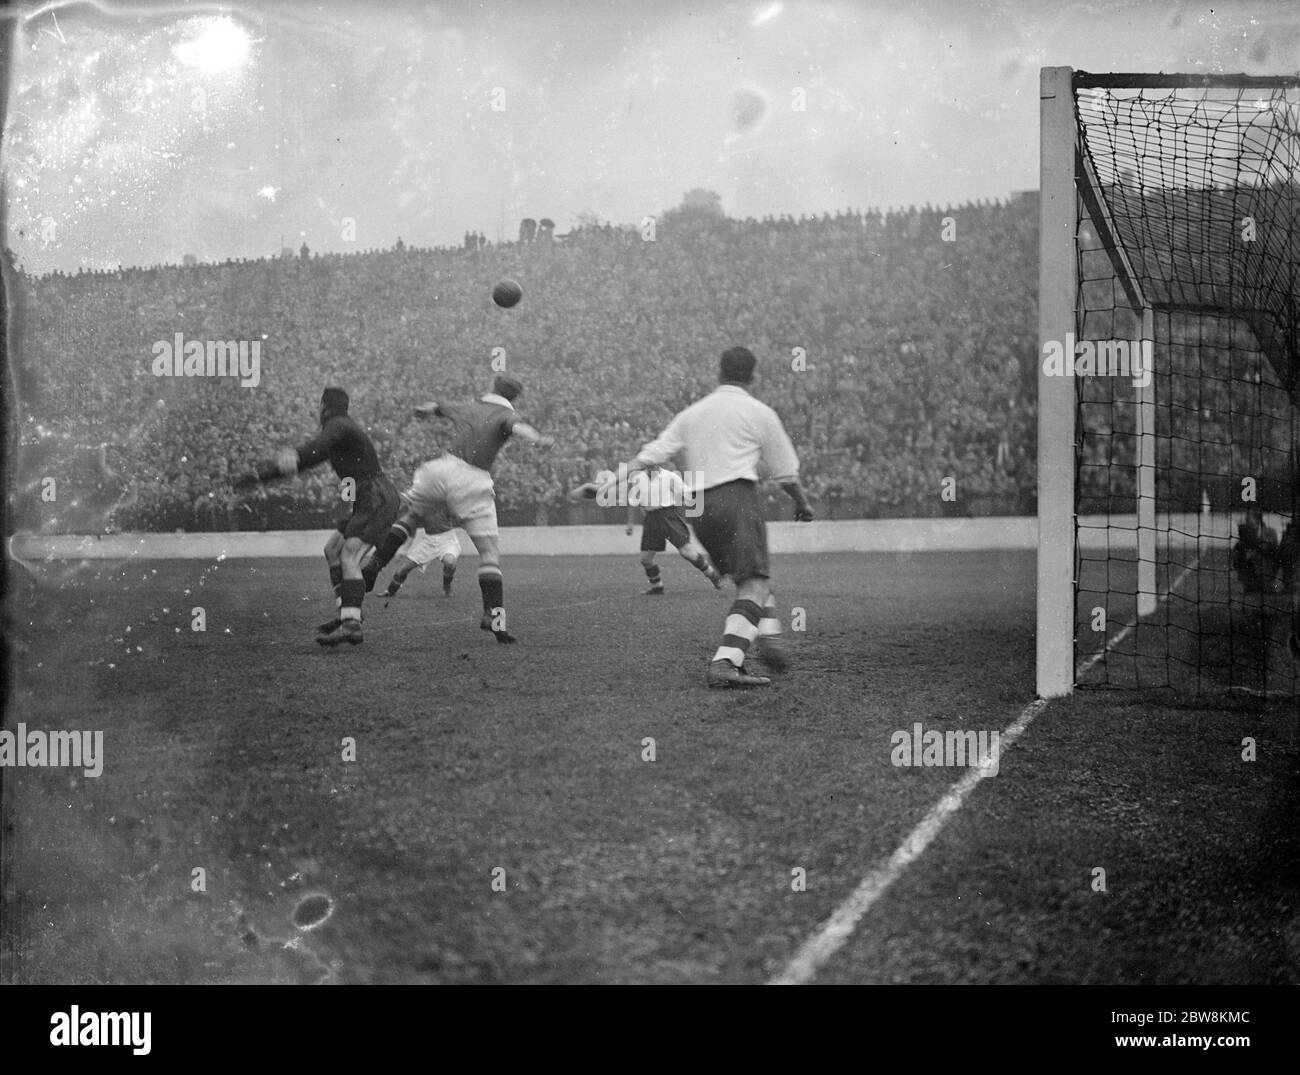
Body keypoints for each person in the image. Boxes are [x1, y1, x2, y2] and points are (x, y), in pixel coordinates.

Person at [627, 348, 813, 687]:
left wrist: (625, 473)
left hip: (701, 506)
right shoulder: (760, 412)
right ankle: (726, 661)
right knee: (755, 581)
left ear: (719, 371)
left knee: (748, 579)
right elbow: (785, 472)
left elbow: (656, 451)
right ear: (752, 376)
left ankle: (768, 633)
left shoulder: (693, 413)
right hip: (737, 498)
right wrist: (802, 504)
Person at [362, 374, 552, 643]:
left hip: (440, 469)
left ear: (492, 387)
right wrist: (539, 438)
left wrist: (424, 409)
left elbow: (436, 407)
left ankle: (374, 566)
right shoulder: (505, 414)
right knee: (488, 553)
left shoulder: (469, 406)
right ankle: (493, 617)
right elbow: (520, 428)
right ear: (514, 397)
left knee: (413, 515)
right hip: (472, 480)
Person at [234, 386, 399, 647]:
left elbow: (314, 449)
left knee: (349, 555)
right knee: (333, 549)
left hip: (374, 494)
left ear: (324, 406)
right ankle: (347, 612)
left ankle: (351, 624)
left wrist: (295, 455)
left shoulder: (338, 425)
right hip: (367, 495)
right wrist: (261, 477)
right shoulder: (341, 429)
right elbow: (309, 459)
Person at [567, 465, 721, 593]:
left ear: (658, 462)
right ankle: (657, 586)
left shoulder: (669, 476)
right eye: (646, 462)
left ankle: (711, 574)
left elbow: (687, 495)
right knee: (645, 559)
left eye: (652, 461)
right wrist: (630, 524)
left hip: (668, 515)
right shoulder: (638, 478)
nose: (649, 465)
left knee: (687, 552)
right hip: (651, 518)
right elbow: (633, 503)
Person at [377, 507, 462, 603]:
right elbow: (413, 528)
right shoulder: (420, 506)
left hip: (447, 539)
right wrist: (404, 549)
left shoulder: (443, 502)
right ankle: (390, 591)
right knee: (403, 569)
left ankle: (447, 586)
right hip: (429, 541)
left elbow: (459, 515)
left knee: (450, 562)